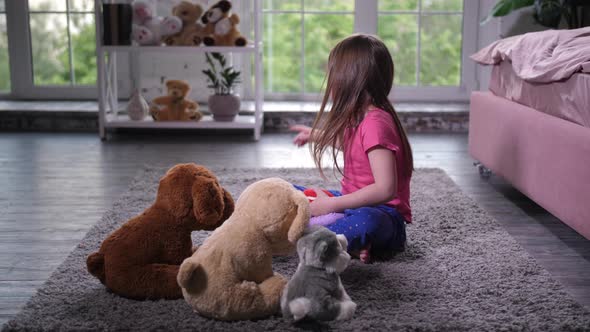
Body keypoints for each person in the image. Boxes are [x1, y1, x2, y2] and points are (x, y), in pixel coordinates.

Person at [290, 34, 413, 264]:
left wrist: (332, 205)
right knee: (287, 191)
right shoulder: (359, 115)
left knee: (366, 222)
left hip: (384, 215)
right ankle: (347, 243)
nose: (330, 83)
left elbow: (386, 189)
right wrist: (315, 136)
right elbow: (352, 146)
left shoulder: (376, 124)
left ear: (350, 80)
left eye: (333, 76)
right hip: (350, 202)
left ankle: (325, 234)